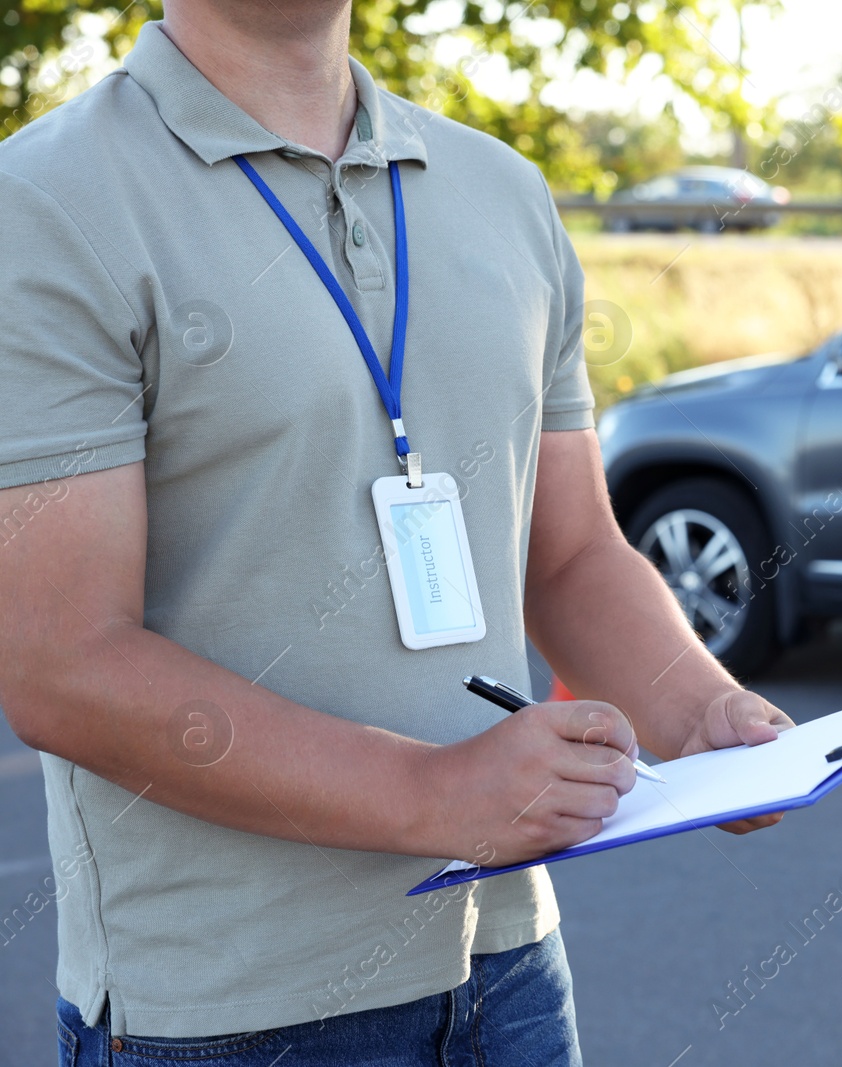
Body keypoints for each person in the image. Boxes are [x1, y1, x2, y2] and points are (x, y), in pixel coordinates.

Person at [0, 2, 792, 1063]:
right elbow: (61, 663)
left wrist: (701, 714)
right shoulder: (44, 203)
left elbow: (567, 554)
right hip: (225, 1011)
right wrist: (433, 792)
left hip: (508, 969)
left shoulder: (502, 191)